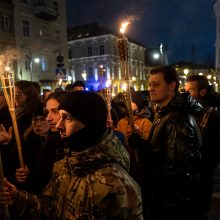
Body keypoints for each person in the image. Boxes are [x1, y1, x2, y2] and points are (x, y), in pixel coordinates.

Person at [0, 91, 143, 219]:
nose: (58, 125)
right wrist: (17, 198)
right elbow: (50, 209)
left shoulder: (117, 185)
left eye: (67, 118)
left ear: (89, 122)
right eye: (60, 116)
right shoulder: (67, 164)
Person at [146, 65, 203, 220]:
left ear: (171, 85)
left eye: (156, 84)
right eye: (150, 84)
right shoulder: (164, 113)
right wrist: (145, 146)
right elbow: (163, 152)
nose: (150, 89)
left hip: (171, 205)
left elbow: (176, 171)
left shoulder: (177, 119)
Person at [186, 75, 220, 220]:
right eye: (186, 90)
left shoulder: (212, 114)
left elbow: (216, 144)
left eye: (191, 90)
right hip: (189, 169)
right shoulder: (187, 111)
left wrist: (207, 165)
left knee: (200, 208)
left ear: (202, 92)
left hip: (203, 168)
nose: (187, 94)